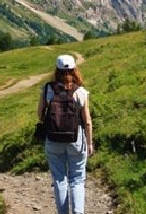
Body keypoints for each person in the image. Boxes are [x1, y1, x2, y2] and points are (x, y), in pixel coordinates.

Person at [38, 54, 93, 214]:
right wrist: (89, 143)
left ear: (57, 70)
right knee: (77, 179)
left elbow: (40, 115)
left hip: (53, 140)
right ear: (75, 70)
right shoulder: (80, 92)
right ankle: (78, 212)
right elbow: (87, 121)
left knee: (60, 180)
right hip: (76, 139)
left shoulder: (48, 89)